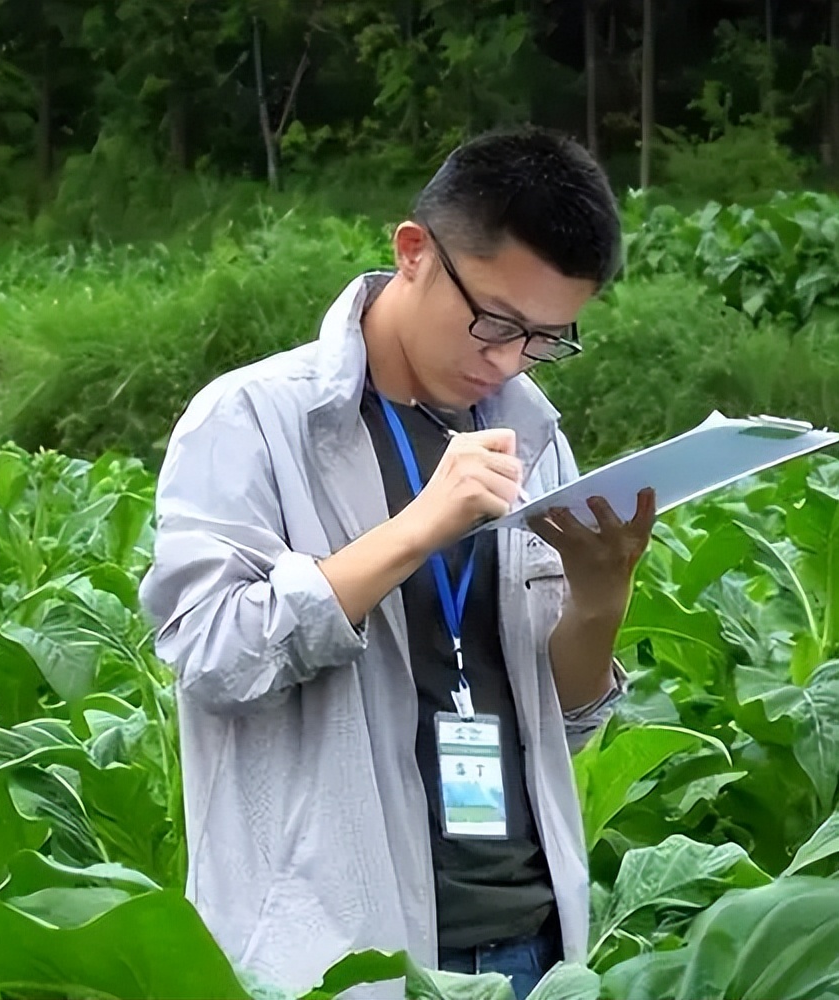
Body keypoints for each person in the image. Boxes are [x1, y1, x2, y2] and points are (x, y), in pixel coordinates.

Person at [138, 125, 655, 1000]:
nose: (507, 357)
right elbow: (213, 655)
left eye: (544, 337)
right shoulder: (251, 420)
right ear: (413, 252)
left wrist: (600, 603)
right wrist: (416, 527)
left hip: (528, 943)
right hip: (341, 958)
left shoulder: (533, 434)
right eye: (492, 320)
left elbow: (556, 724)